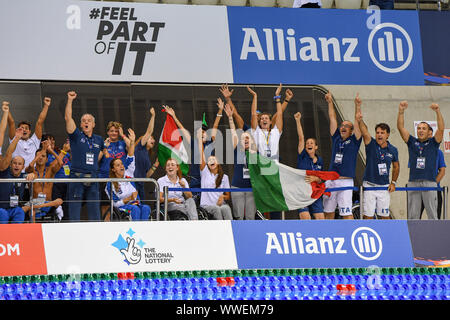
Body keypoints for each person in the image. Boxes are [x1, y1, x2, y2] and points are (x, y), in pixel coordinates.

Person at [397, 101, 444, 220]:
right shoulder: (412, 142)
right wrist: (401, 111)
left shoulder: (433, 143)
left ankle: (434, 238)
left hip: (429, 182)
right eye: (419, 128)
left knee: (433, 215)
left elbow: (441, 129)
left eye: (424, 128)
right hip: (413, 182)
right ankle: (412, 237)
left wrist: (437, 111)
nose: (421, 130)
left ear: (429, 132)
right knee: (413, 217)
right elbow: (400, 128)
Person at [250, 84, 291, 219]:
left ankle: (276, 222)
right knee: (263, 196)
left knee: (275, 197)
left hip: (274, 168)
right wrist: (255, 97)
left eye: (266, 118)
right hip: (262, 168)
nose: (264, 119)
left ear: (269, 121)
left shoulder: (275, 132)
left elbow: (279, 114)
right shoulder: (256, 133)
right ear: (259, 122)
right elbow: (252, 114)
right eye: (261, 119)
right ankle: (261, 219)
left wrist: (278, 98)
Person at [64, 91, 106, 222]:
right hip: (77, 177)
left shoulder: (99, 140)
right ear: (81, 125)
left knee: (95, 213)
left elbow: (97, 156)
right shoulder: (76, 136)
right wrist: (70, 100)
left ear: (93, 124)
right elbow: (68, 118)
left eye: (89, 121)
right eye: (83, 121)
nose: (86, 122)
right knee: (74, 212)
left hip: (93, 178)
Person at [356, 103, 399, 220]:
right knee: (367, 216)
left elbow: (396, 167)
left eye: (382, 133)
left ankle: (387, 237)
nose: (379, 135)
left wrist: (393, 182)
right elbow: (364, 132)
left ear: (388, 135)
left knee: (384, 216)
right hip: (369, 185)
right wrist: (360, 121)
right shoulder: (371, 144)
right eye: (378, 132)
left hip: (384, 187)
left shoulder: (393, 150)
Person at [323, 92, 362, 220]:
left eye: (347, 126)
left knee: (346, 212)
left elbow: (357, 121)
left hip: (345, 180)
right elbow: (332, 118)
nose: (343, 127)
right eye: (342, 125)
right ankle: (328, 235)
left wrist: (357, 105)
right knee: (328, 212)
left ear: (351, 131)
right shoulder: (336, 138)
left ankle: (349, 235)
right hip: (331, 181)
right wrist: (329, 102)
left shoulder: (355, 141)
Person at [219, 88, 257, 220]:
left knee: (251, 218)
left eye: (248, 138)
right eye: (243, 138)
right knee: (239, 217)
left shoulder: (255, 152)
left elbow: (254, 118)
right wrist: (230, 117)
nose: (245, 139)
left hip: (252, 188)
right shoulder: (237, 148)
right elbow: (234, 131)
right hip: (237, 187)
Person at [105, 129, 151, 221]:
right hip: (123, 208)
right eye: (118, 165)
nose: (122, 166)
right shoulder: (110, 184)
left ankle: (144, 232)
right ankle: (135, 233)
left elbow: (130, 155)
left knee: (146, 208)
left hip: (135, 204)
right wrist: (128, 199)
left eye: (122, 164)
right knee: (135, 209)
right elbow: (114, 204)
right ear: (113, 169)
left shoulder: (128, 173)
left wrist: (133, 141)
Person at [22, 141, 67, 221]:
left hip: (47, 203)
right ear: (35, 158)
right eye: (38, 156)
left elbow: (60, 163)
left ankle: (31, 207)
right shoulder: (32, 171)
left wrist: (50, 150)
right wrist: (43, 150)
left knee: (59, 201)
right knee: (32, 212)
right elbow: (31, 165)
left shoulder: (50, 170)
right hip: (35, 203)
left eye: (43, 156)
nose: (40, 158)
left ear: (47, 159)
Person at [0, 126, 36, 223]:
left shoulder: (24, 176)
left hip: (15, 209)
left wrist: (33, 175)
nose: (16, 165)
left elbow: (34, 177)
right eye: (14, 163)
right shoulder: (4, 172)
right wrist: (16, 138)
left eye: (19, 164)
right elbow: (9, 153)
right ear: (10, 164)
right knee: (2, 215)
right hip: (1, 209)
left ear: (23, 166)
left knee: (20, 212)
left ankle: (16, 238)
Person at [294, 112, 325, 220]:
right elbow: (301, 138)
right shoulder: (302, 156)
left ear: (316, 147)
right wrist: (298, 121)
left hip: (316, 193)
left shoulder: (320, 160)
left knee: (321, 219)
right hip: (303, 191)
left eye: (311, 143)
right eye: (307, 143)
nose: (309, 144)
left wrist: (317, 179)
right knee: (306, 218)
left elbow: (323, 179)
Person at [198, 125, 233, 220]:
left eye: (213, 159)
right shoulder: (205, 172)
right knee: (216, 209)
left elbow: (228, 196)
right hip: (207, 205)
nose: (211, 161)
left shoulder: (224, 177)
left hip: (221, 204)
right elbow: (201, 155)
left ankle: (231, 230)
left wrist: (223, 197)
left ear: (217, 162)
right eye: (209, 160)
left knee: (226, 208)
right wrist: (200, 141)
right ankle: (221, 231)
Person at [7, 96, 51, 170]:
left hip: (32, 174)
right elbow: (11, 123)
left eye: (26, 129)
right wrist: (6, 111)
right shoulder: (14, 139)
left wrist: (46, 106)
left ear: (30, 132)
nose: (24, 130)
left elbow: (40, 122)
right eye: (21, 128)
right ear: (17, 131)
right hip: (16, 173)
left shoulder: (35, 140)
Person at [41, 134, 72, 222]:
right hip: (55, 185)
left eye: (53, 139)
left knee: (68, 209)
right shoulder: (45, 156)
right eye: (49, 139)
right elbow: (56, 165)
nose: (52, 141)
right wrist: (62, 151)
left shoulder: (62, 153)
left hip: (68, 184)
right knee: (58, 210)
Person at [134, 107, 159, 201]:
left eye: (153, 139)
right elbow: (149, 131)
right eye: (151, 138)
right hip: (133, 183)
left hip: (140, 184)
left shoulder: (146, 155)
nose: (153, 140)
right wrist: (153, 116)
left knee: (143, 207)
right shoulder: (139, 148)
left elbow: (146, 175)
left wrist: (155, 165)